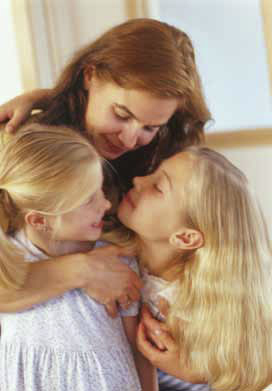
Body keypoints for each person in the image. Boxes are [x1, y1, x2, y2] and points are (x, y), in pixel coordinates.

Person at [0, 19, 210, 317]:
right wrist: (81, 270)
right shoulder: (21, 147)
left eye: (151, 127)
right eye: (121, 114)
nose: (130, 139)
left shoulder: (159, 161)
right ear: (90, 75)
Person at [0, 123, 158, 391]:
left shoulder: (116, 262)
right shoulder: (10, 255)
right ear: (39, 220)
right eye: (88, 200)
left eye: (101, 191)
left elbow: (138, 349)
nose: (106, 205)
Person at [112, 146, 272, 391]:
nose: (138, 179)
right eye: (153, 172)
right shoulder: (109, 255)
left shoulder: (208, 308)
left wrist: (195, 372)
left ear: (185, 238)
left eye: (158, 187)